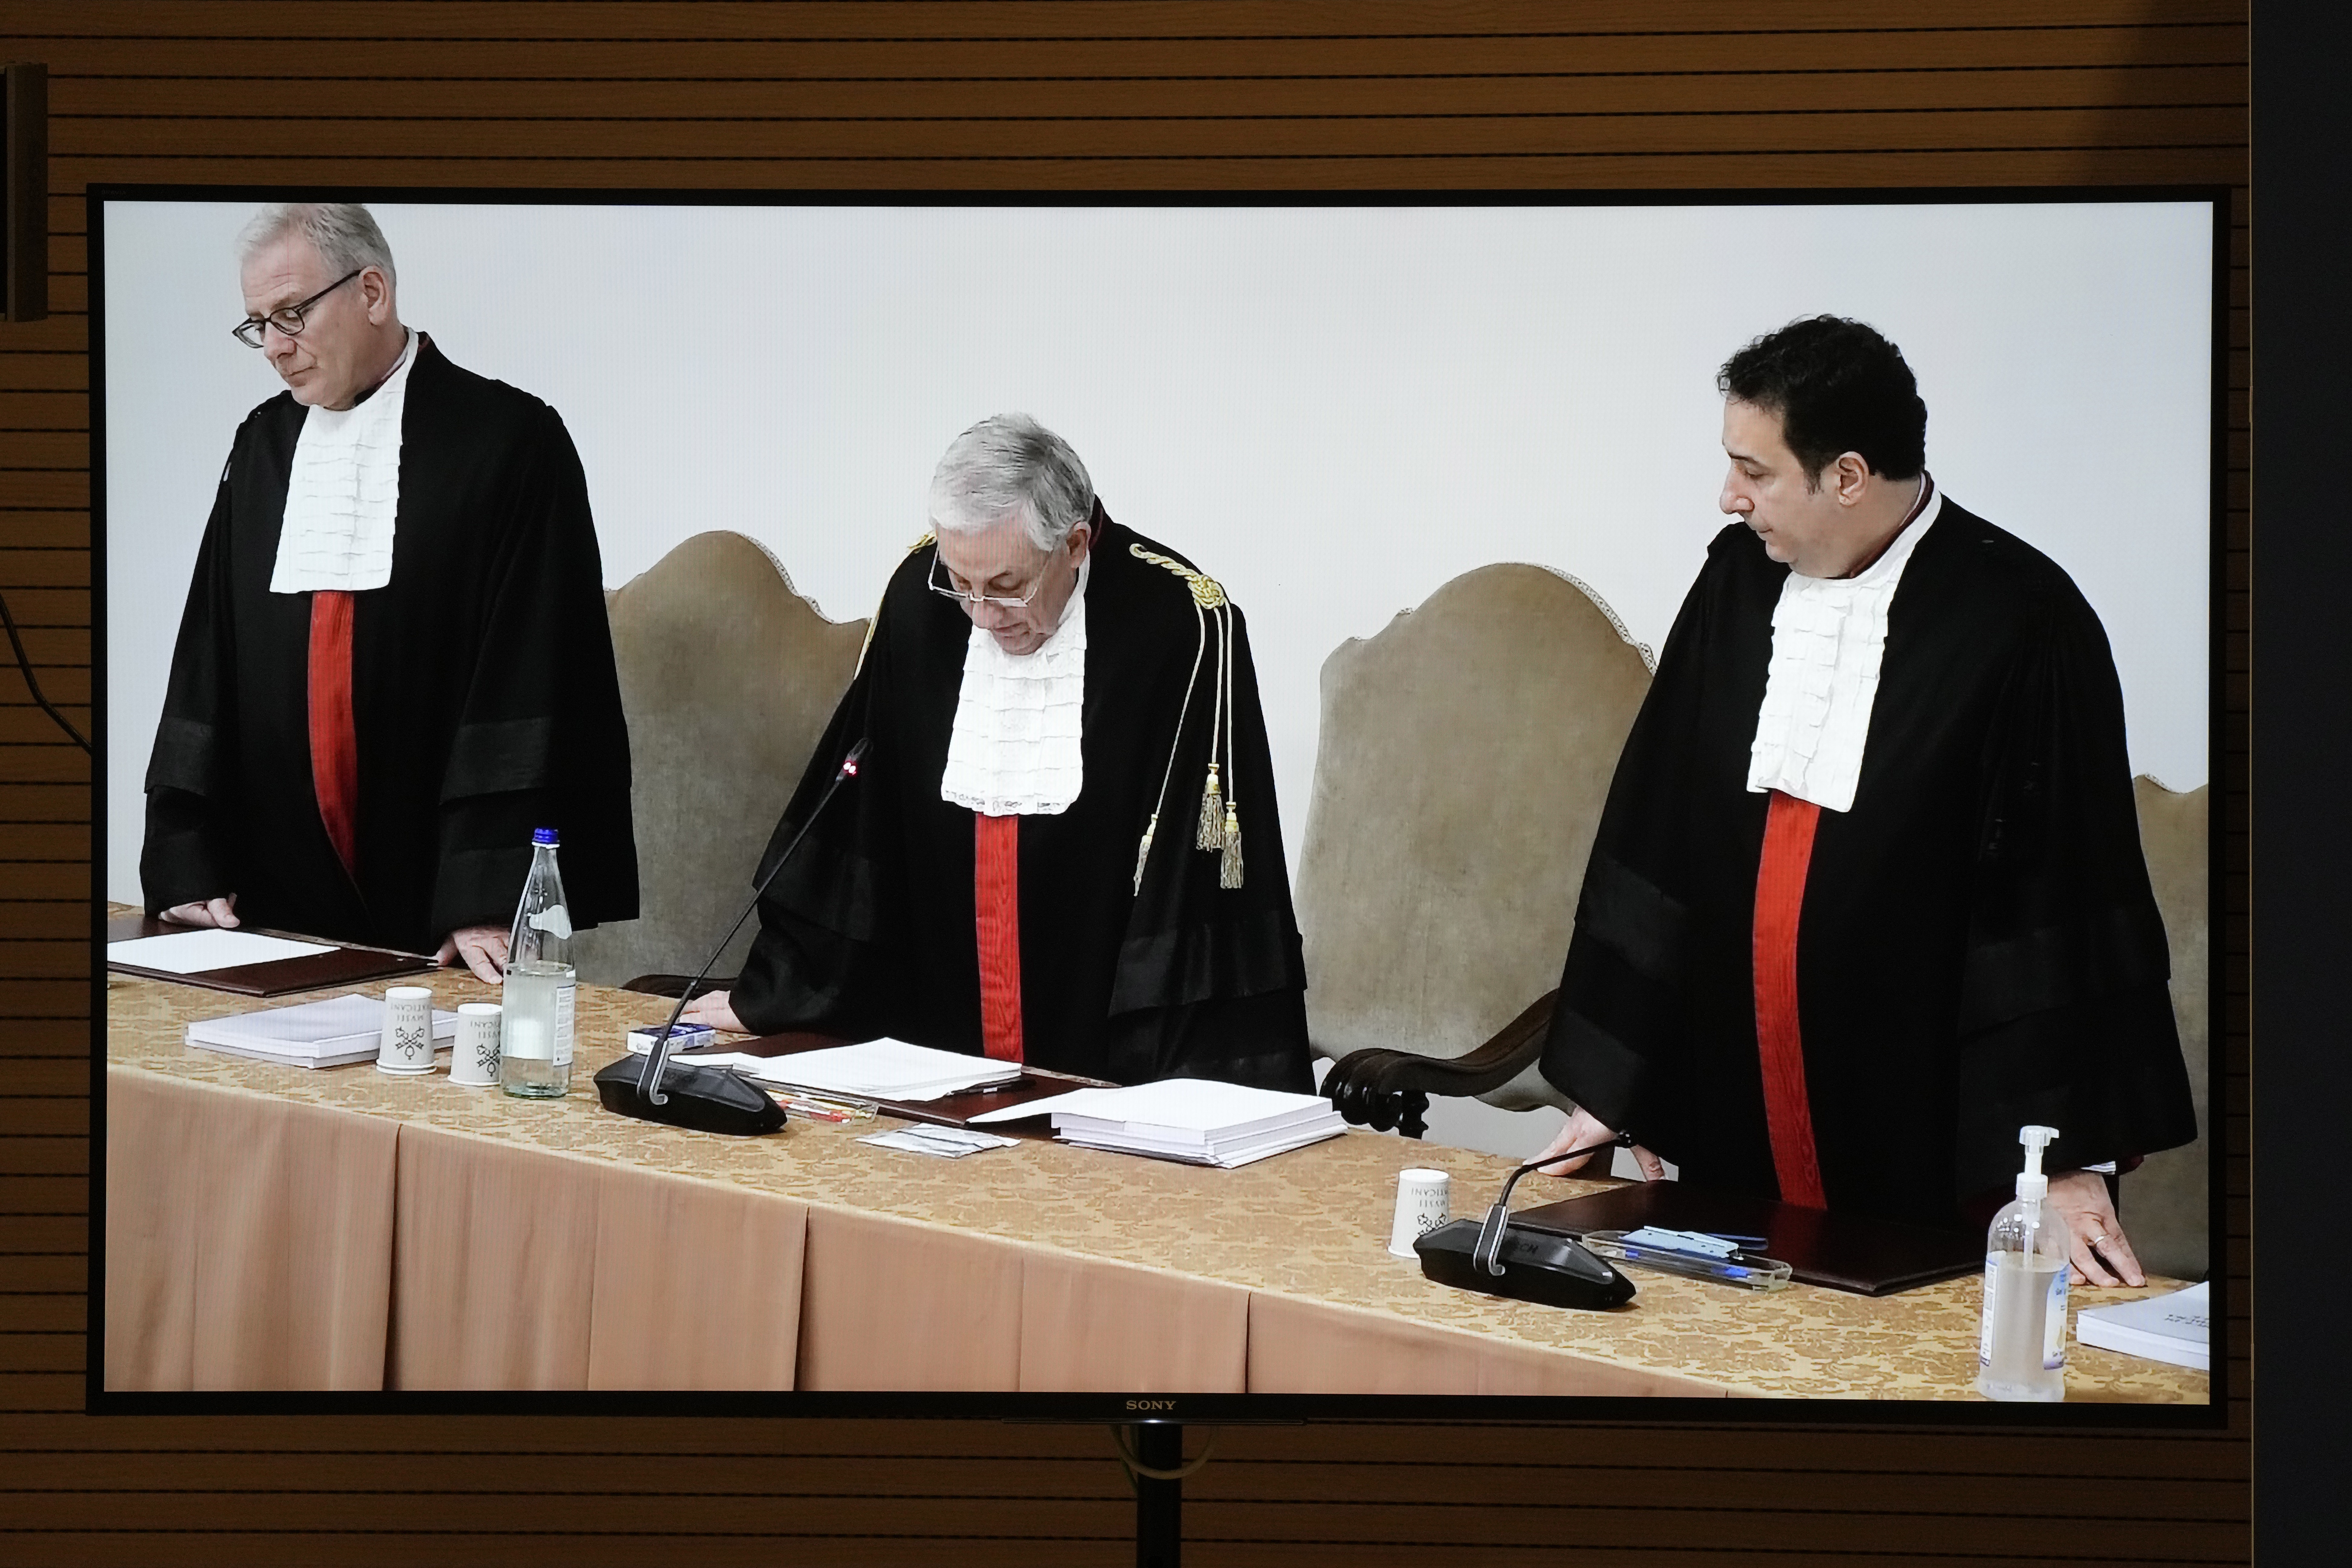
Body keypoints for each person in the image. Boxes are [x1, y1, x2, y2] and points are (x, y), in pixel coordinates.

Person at [1530, 316, 2197, 1287]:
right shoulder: (1733, 583)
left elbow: (2061, 896)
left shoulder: (2022, 620)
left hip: (1921, 1122)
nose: (1729, 497)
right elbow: (1658, 823)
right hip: (1733, 1100)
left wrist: (2059, 1161)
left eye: (1753, 471)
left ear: (1844, 476)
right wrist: (1612, 1083)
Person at [684, 414, 1312, 1091]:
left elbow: (1199, 886)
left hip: (1107, 1047)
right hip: (932, 1031)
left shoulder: (1178, 624)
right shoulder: (920, 601)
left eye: (1008, 586)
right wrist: (774, 993)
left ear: (1074, 545)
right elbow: (863, 819)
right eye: (961, 582)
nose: (980, 613)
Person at [140, 203, 638, 978]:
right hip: (272, 900)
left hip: (437, 893)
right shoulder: (263, 445)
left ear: (371, 292)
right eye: (258, 324)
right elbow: (208, 654)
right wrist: (189, 857)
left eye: (292, 314)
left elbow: (534, 673)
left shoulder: (510, 441)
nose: (274, 347)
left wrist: (485, 892)